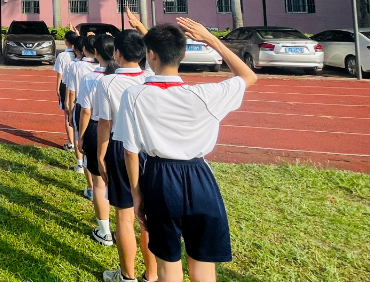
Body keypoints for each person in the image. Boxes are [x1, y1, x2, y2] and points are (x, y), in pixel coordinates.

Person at [114, 19, 258, 283]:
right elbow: (249, 76)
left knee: (168, 267)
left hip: (159, 179)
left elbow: (130, 152)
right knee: (203, 266)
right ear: (182, 55)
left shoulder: (134, 96)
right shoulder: (206, 94)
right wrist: (212, 40)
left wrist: (136, 194)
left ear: (150, 54)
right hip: (200, 178)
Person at [95, 29, 156, 283]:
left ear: (117, 53)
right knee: (148, 218)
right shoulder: (151, 77)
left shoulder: (107, 83)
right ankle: (152, 275)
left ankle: (127, 276)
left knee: (124, 215)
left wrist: (100, 156)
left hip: (120, 148)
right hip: (150, 151)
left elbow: (104, 123)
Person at [76, 33, 116, 247]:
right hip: (120, 133)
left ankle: (104, 232)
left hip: (95, 129)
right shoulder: (125, 77)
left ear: (96, 53)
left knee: (99, 185)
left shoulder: (91, 78)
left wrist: (81, 137)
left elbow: (86, 111)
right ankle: (125, 226)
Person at [66, 34, 101, 177]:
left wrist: (70, 109)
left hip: (81, 106)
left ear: (84, 49)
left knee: (79, 136)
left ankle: (80, 164)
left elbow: (72, 91)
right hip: (100, 107)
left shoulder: (76, 66)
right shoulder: (103, 65)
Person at [54, 31, 80, 151]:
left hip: (66, 86)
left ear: (66, 41)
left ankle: (71, 143)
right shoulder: (80, 54)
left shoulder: (62, 56)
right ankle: (79, 141)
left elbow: (60, 74)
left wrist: (57, 88)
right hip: (80, 86)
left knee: (68, 115)